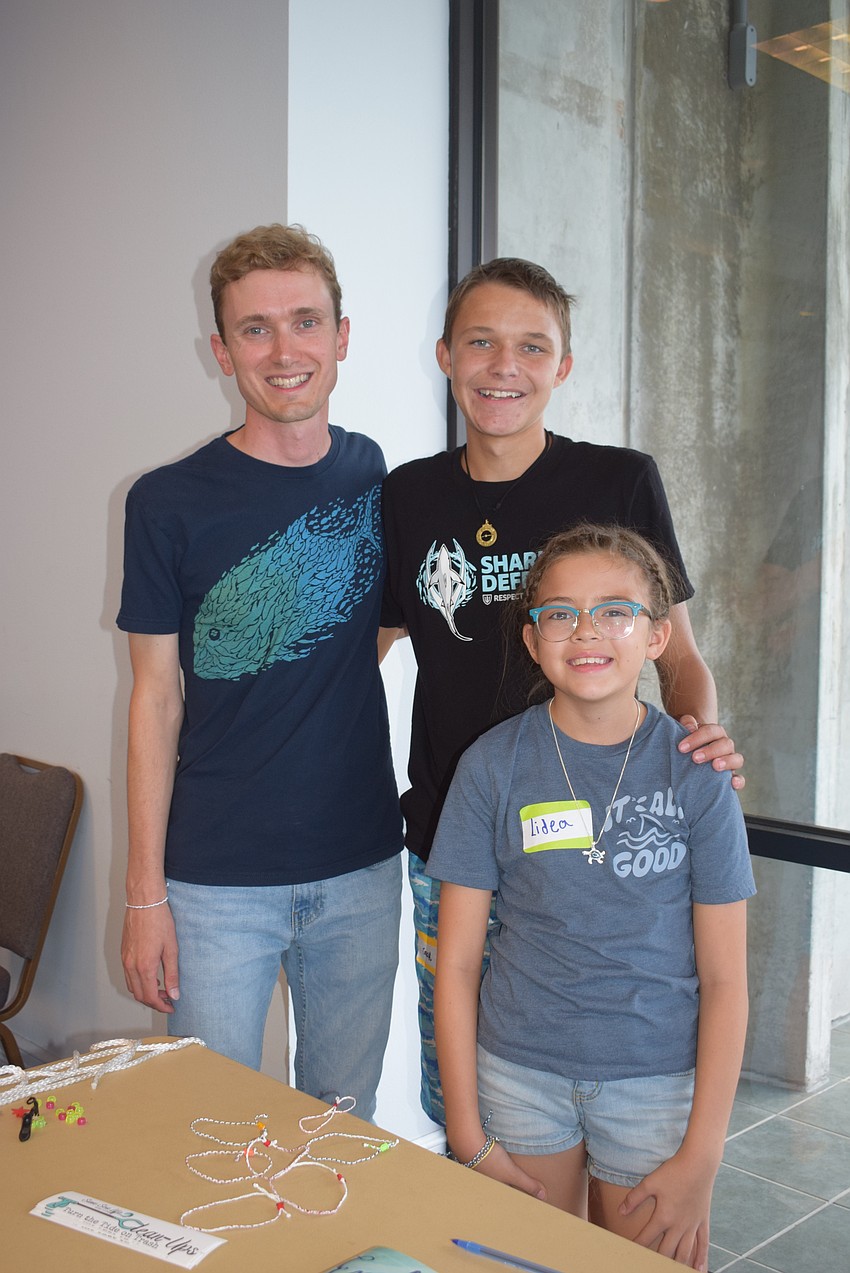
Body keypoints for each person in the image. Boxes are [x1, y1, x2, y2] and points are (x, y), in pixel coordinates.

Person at [379, 257, 745, 1125]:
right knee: (471, 1104)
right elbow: (373, 648)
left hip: (604, 852)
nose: (504, 366)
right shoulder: (408, 494)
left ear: (562, 367)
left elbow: (677, 654)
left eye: (531, 346)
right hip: (451, 845)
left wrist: (700, 746)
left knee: (612, 1093)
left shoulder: (619, 481)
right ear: (444, 356)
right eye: (482, 342)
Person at [117, 223, 402, 1120]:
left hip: (362, 864)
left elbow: (377, 628)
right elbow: (155, 700)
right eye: (256, 328)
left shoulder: (371, 471)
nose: (286, 350)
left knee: (340, 1131)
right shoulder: (165, 502)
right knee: (215, 1133)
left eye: (306, 322)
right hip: (213, 884)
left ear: (343, 336)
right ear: (221, 350)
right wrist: (143, 893)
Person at [428, 524, 754, 1270]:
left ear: (657, 635)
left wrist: (704, 1155)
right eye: (560, 613)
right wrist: (468, 1137)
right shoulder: (490, 767)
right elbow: (458, 966)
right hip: (518, 1076)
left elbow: (729, 979)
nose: (586, 630)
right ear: (534, 637)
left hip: (656, 1086)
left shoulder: (699, 776)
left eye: (615, 610)